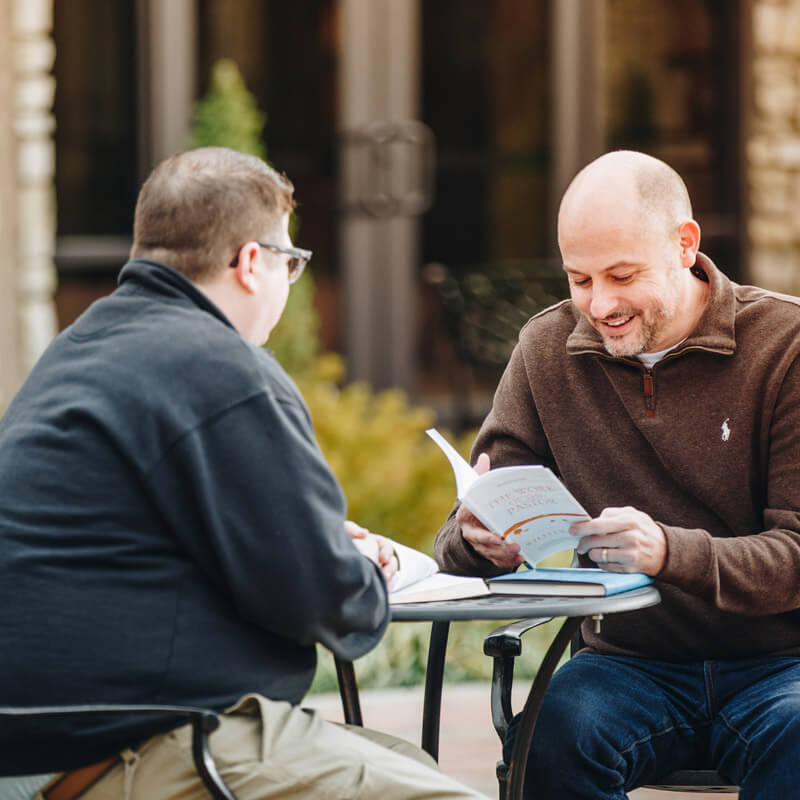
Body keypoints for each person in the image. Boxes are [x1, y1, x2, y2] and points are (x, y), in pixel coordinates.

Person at [0, 146, 488, 800]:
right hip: (134, 743)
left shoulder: (79, 350)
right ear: (251, 262)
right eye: (292, 262)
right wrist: (368, 568)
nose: (291, 283)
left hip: (40, 742)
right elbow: (326, 601)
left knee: (405, 762)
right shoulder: (223, 368)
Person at [434, 149, 800, 799]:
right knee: (548, 738)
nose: (599, 304)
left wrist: (667, 551)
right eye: (580, 279)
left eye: (622, 275)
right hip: (625, 668)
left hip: (781, 668)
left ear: (685, 245)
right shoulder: (546, 350)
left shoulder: (785, 347)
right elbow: (462, 533)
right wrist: (477, 540)